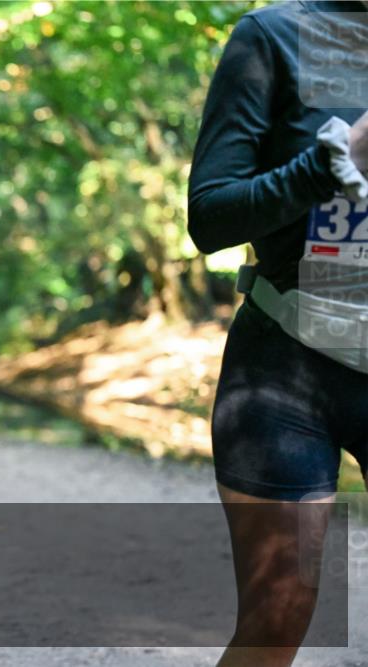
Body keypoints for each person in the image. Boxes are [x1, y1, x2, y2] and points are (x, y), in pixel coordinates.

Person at [188, 3, 367, 666]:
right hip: (287, 365)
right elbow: (209, 217)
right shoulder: (274, 36)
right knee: (277, 614)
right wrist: (334, 162)